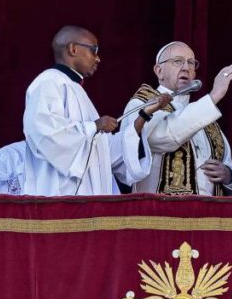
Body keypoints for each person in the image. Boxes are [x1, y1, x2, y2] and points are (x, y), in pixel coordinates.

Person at [23, 26, 171, 196]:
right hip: (59, 199)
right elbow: (45, 134)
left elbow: (105, 152)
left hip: (90, 202)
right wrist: (96, 125)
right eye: (94, 50)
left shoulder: (77, 90)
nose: (98, 58)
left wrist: (144, 114)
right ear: (73, 49)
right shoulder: (49, 82)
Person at [121, 41, 232, 195]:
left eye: (191, 63)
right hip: (160, 208)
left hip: (206, 209)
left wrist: (228, 175)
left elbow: (228, 162)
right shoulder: (143, 103)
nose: (185, 67)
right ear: (159, 71)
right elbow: (162, 138)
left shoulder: (207, 117)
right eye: (177, 61)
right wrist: (214, 96)